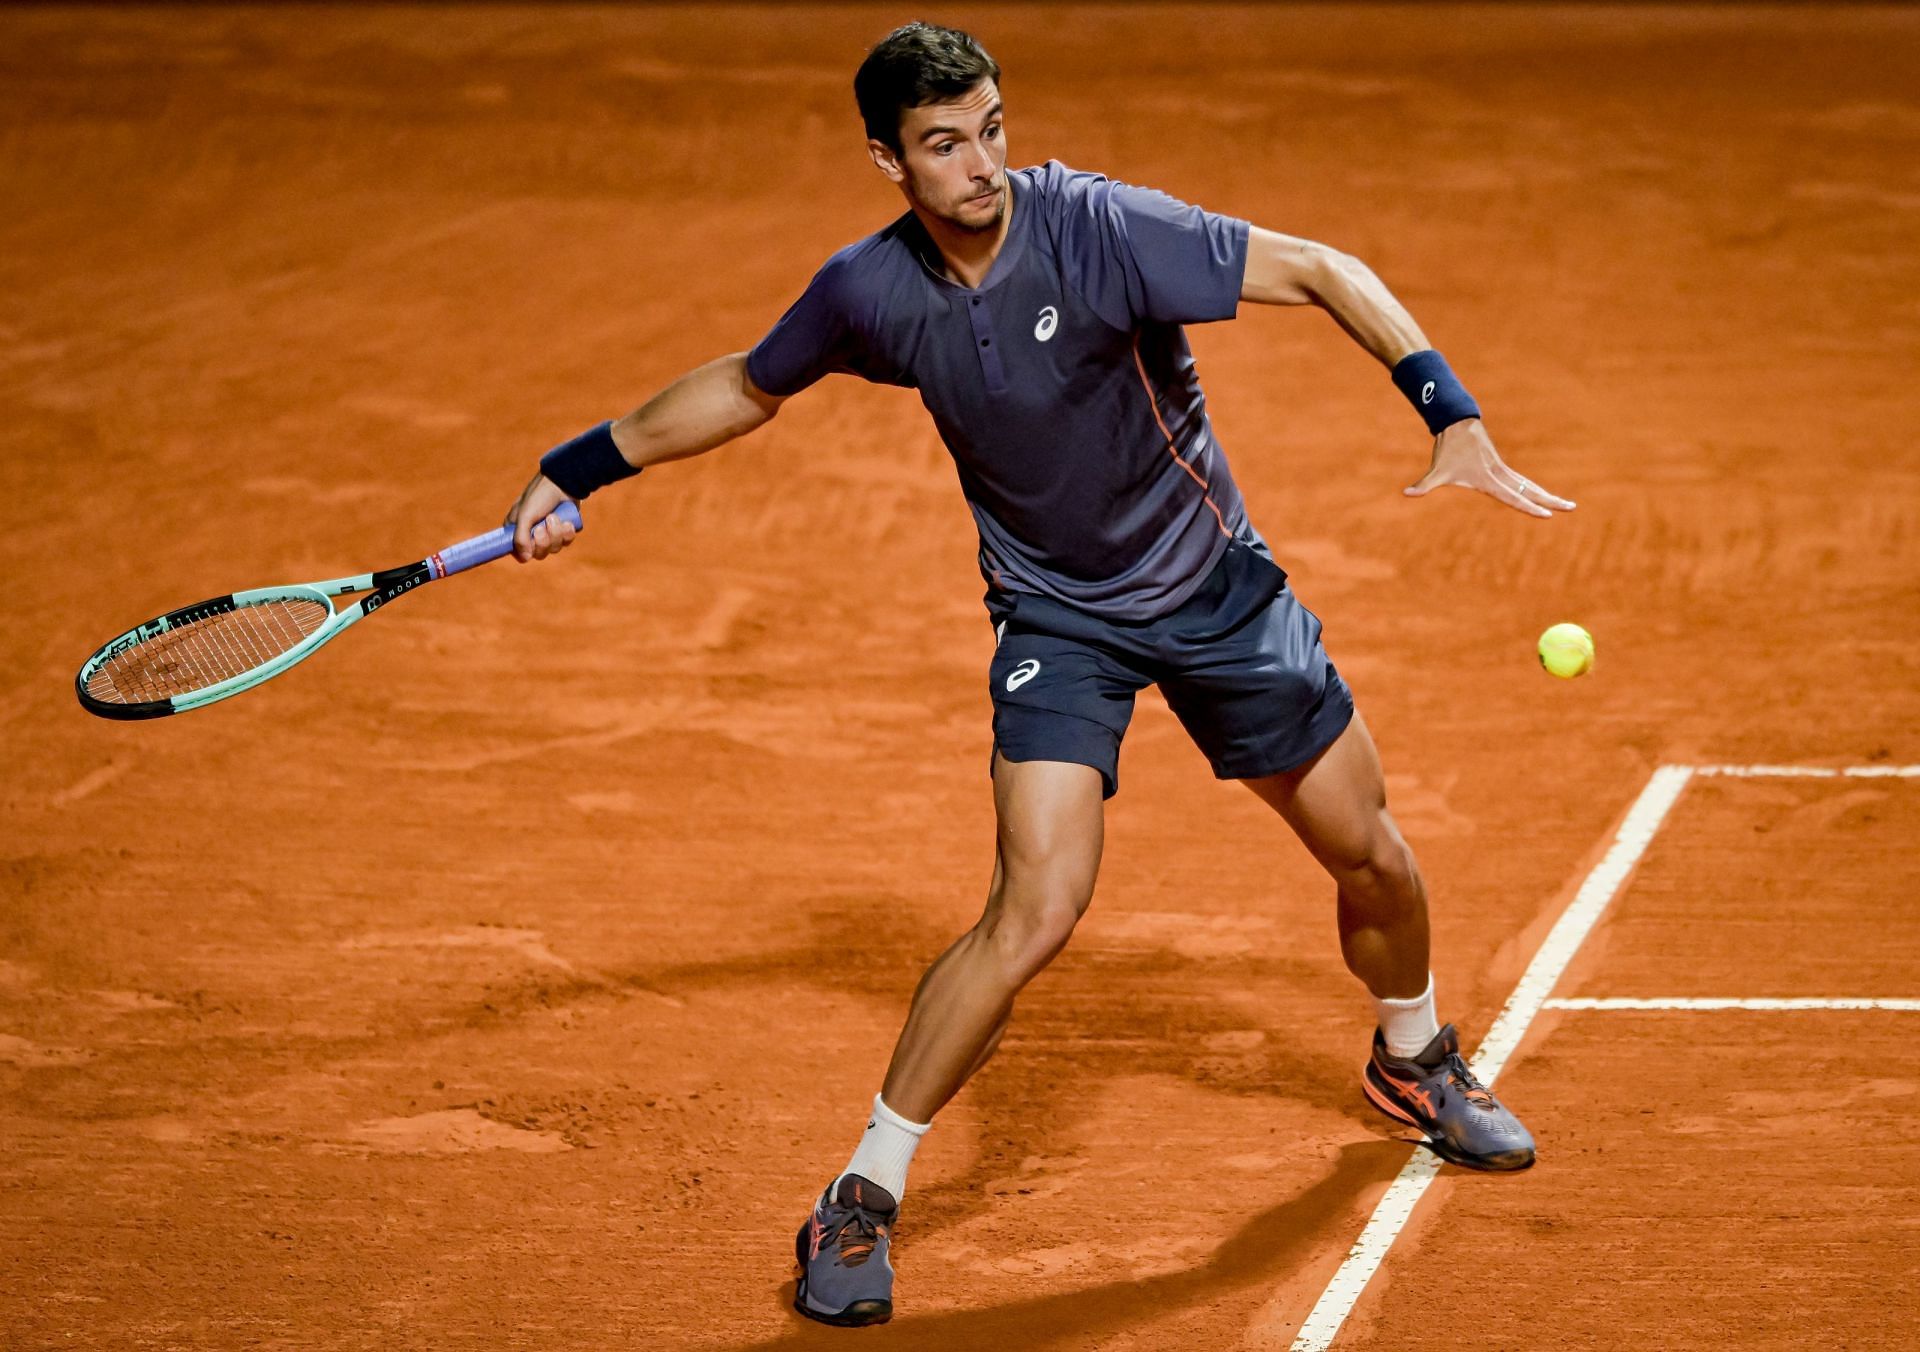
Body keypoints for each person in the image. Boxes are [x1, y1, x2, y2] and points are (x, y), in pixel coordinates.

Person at [504, 21, 1572, 1329]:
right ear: (887, 161)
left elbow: (1322, 267)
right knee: (1037, 903)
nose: (980, 164)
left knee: (1374, 857)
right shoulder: (868, 294)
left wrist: (1446, 408)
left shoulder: (1104, 228)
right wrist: (578, 467)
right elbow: (744, 384)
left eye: (993, 128)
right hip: (1060, 622)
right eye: (944, 144)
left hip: (1221, 592)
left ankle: (1413, 1056)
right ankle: (863, 1192)